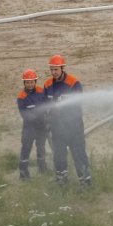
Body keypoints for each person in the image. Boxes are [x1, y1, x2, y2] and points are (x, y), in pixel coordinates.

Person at [43, 54, 91, 186]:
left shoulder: (73, 83)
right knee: (59, 155)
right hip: (57, 128)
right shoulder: (47, 85)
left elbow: (77, 104)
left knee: (79, 154)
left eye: (56, 69)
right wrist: (46, 121)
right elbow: (45, 105)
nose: (54, 72)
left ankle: (86, 182)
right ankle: (61, 181)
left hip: (73, 126)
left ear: (62, 68)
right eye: (51, 69)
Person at [17, 69, 48, 180]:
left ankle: (42, 168)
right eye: (27, 82)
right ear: (24, 83)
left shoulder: (41, 91)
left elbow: (46, 105)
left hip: (41, 126)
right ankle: (23, 174)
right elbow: (25, 115)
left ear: (35, 81)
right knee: (26, 149)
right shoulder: (21, 97)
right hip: (29, 128)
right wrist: (37, 118)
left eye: (32, 82)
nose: (30, 84)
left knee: (41, 147)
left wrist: (45, 119)